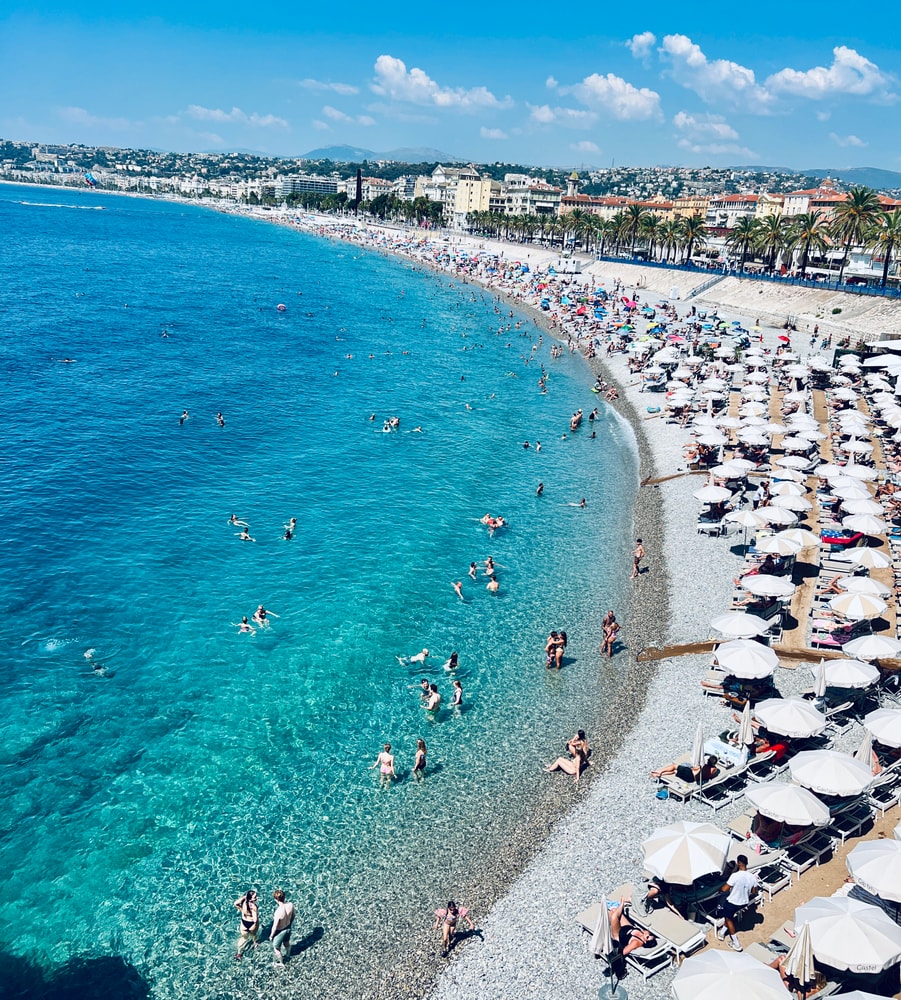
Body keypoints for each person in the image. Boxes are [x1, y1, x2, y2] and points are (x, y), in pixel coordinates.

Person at [716, 854, 758, 951]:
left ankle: (736, 943)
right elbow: (754, 891)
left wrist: (719, 890)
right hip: (744, 902)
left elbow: (725, 889)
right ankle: (722, 933)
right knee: (728, 916)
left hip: (733, 902)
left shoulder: (735, 876)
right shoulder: (752, 877)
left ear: (738, 863)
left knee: (728, 919)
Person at [270, 890, 296, 965]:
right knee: (286, 943)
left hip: (280, 931)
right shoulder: (290, 905)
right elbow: (293, 915)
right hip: (288, 928)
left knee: (276, 948)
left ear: (276, 899)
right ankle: (288, 954)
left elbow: (275, 926)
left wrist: (271, 936)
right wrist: (290, 924)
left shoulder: (278, 912)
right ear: (284, 897)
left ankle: (281, 963)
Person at [650, 755, 719, 783]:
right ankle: (661, 774)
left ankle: (659, 771)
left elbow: (694, 769)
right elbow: (710, 775)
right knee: (675, 771)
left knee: (674, 766)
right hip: (691, 780)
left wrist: (693, 767)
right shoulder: (714, 770)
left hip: (690, 774)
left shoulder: (704, 766)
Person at [234, 890, 259, 960]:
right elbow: (255, 920)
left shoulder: (243, 902)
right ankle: (255, 943)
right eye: (255, 897)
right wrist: (255, 924)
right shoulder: (253, 906)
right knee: (254, 935)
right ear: (251, 898)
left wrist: (241, 909)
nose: (257, 898)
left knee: (244, 938)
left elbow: (235, 903)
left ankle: (239, 953)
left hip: (244, 924)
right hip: (252, 924)